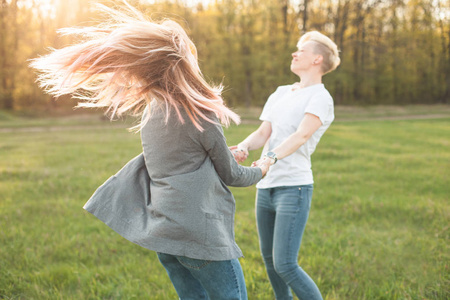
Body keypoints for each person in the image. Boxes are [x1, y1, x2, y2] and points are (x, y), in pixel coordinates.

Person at [30, 2, 271, 299]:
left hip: (165, 235)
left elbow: (180, 160)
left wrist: (222, 152)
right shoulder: (199, 113)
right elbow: (233, 176)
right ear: (183, 64)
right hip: (198, 236)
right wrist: (262, 167)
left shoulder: (154, 111)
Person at [230, 31, 340, 300]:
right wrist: (243, 146)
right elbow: (264, 131)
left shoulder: (320, 97)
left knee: (286, 265)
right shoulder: (280, 92)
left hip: (294, 187)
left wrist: (270, 158)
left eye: (301, 50)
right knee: (270, 262)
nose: (294, 53)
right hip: (266, 186)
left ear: (317, 58)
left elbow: (301, 135)